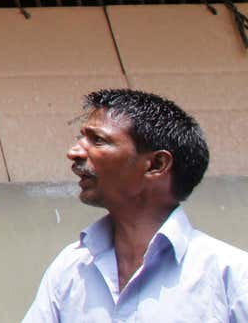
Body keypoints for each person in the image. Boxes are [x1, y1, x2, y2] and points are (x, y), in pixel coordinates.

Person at [23, 89, 247, 321]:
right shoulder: (70, 268)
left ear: (156, 164)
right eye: (80, 139)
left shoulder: (231, 276)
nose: (74, 152)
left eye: (98, 140)